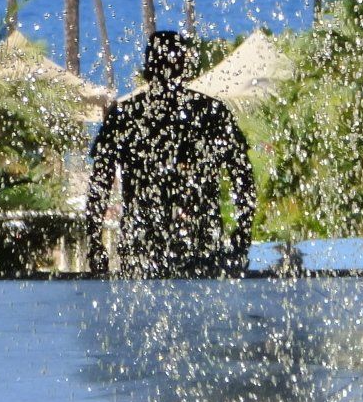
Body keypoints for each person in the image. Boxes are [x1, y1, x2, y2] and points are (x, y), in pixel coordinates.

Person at [84, 30, 256, 278]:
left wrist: (95, 241)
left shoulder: (125, 116)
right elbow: (243, 179)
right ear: (185, 66)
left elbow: (100, 184)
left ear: (148, 67)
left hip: (141, 245)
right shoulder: (211, 112)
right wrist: (241, 235)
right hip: (200, 241)